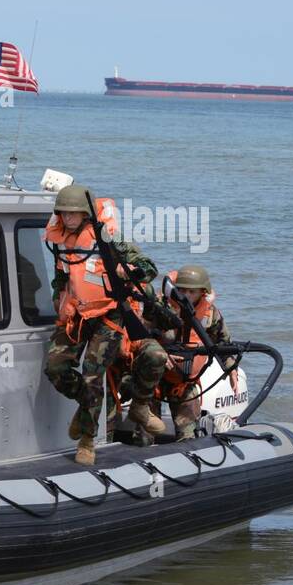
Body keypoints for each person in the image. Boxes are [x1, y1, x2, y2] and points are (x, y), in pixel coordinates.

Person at [41, 185, 167, 466]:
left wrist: (130, 271)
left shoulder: (108, 239)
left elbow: (148, 266)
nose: (69, 218)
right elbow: (61, 276)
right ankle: (86, 404)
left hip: (108, 315)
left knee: (92, 375)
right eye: (64, 213)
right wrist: (58, 302)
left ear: (85, 214)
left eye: (74, 213)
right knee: (55, 367)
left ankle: (87, 441)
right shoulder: (59, 241)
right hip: (76, 315)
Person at [153, 265, 236, 440]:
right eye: (182, 290)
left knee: (189, 435)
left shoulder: (210, 314)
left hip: (183, 382)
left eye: (192, 292)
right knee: (146, 434)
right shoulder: (159, 308)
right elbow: (139, 338)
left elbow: (222, 343)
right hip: (153, 378)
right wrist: (159, 353)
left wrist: (231, 368)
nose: (187, 296)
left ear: (202, 292)